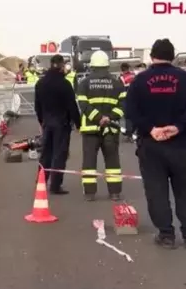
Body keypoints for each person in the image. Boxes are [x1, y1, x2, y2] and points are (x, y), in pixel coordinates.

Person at [125, 38, 186, 249]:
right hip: (181, 144)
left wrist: (151, 128)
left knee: (156, 191)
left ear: (152, 57)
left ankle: (166, 235)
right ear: (173, 57)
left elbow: (131, 111)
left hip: (151, 145)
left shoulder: (140, 81)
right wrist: (178, 127)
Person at [76, 51, 127, 201]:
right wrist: (109, 118)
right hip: (110, 128)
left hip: (91, 129)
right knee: (112, 161)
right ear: (107, 65)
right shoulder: (117, 83)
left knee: (89, 161)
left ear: (91, 65)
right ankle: (115, 192)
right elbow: (123, 105)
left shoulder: (84, 83)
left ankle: (90, 193)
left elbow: (83, 105)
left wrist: (98, 118)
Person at [34, 54, 81, 195]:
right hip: (62, 123)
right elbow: (72, 106)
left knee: (45, 154)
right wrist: (78, 124)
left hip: (47, 122)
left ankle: (41, 181)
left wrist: (42, 120)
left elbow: (37, 106)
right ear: (61, 65)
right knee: (59, 154)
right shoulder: (65, 84)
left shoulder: (40, 83)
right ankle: (55, 185)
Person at [119, 63, 136, 141]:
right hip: (136, 98)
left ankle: (129, 135)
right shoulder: (134, 75)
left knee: (128, 117)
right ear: (128, 68)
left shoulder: (121, 78)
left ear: (122, 69)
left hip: (126, 98)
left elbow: (119, 89)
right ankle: (134, 132)